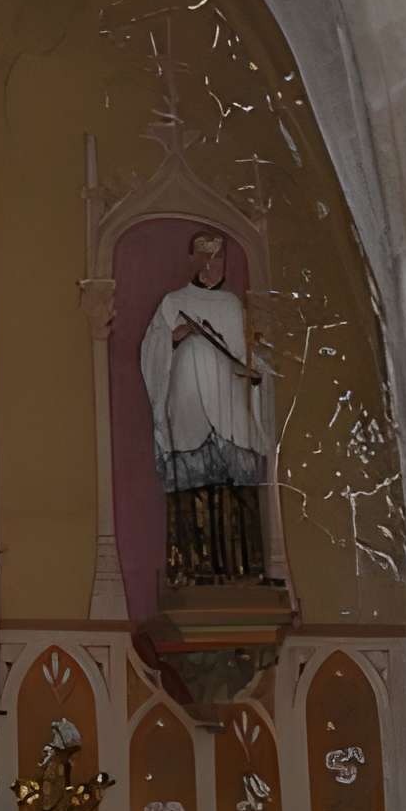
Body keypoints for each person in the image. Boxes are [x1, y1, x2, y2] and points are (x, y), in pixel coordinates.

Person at [138, 229, 269, 584]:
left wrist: (253, 369)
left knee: (234, 486)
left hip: (227, 405)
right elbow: (152, 355)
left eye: (219, 257)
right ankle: (193, 570)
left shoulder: (232, 305)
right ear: (194, 260)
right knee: (193, 486)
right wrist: (174, 338)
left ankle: (243, 572)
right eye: (205, 257)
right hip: (188, 409)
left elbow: (248, 357)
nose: (212, 265)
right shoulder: (173, 302)